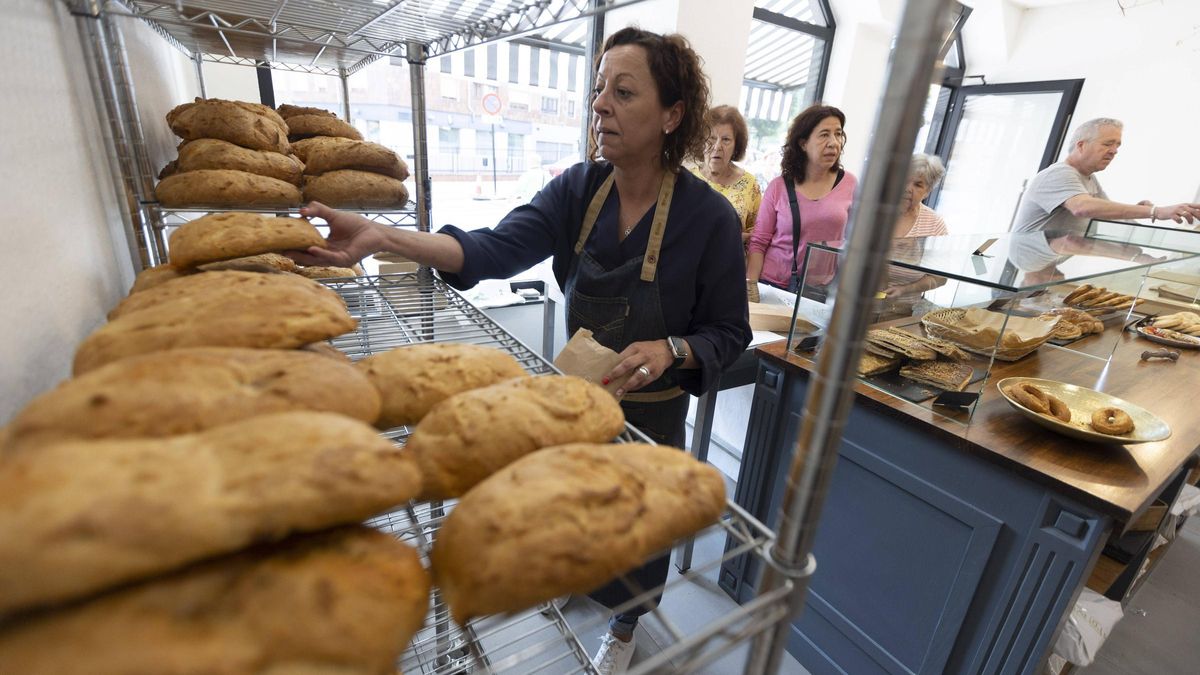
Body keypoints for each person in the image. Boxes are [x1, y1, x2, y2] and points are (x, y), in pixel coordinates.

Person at [289, 27, 751, 675]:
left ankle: (623, 627)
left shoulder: (711, 220)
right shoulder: (578, 191)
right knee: (565, 520)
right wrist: (383, 237)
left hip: (650, 420)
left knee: (632, 549)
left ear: (673, 115)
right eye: (598, 90)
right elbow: (490, 249)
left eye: (623, 92)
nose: (600, 105)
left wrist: (675, 346)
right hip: (574, 404)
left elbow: (730, 332)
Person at [745, 104, 858, 302]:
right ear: (803, 143)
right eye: (824, 135)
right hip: (773, 286)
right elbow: (759, 242)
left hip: (821, 290)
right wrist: (750, 289)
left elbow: (854, 240)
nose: (833, 143)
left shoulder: (850, 183)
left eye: (838, 134)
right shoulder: (778, 186)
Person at [1012, 117, 1199, 235]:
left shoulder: (1088, 178)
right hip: (1023, 273)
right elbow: (1082, 208)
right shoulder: (1059, 173)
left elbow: (1108, 215)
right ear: (1081, 145)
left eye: (1118, 145)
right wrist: (1156, 211)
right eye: (1108, 144)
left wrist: (1143, 213)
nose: (1114, 151)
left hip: (1049, 268)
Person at [692, 105, 762, 245]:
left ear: (736, 145)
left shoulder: (749, 184)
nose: (717, 146)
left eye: (726, 140)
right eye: (711, 138)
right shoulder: (687, 179)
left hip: (730, 262)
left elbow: (757, 236)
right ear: (701, 142)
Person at [884, 153, 950, 302]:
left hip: (902, 311)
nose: (908, 189)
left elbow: (940, 278)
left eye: (918, 184)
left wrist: (905, 290)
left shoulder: (934, 224)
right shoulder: (876, 212)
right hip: (859, 305)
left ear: (927, 191)